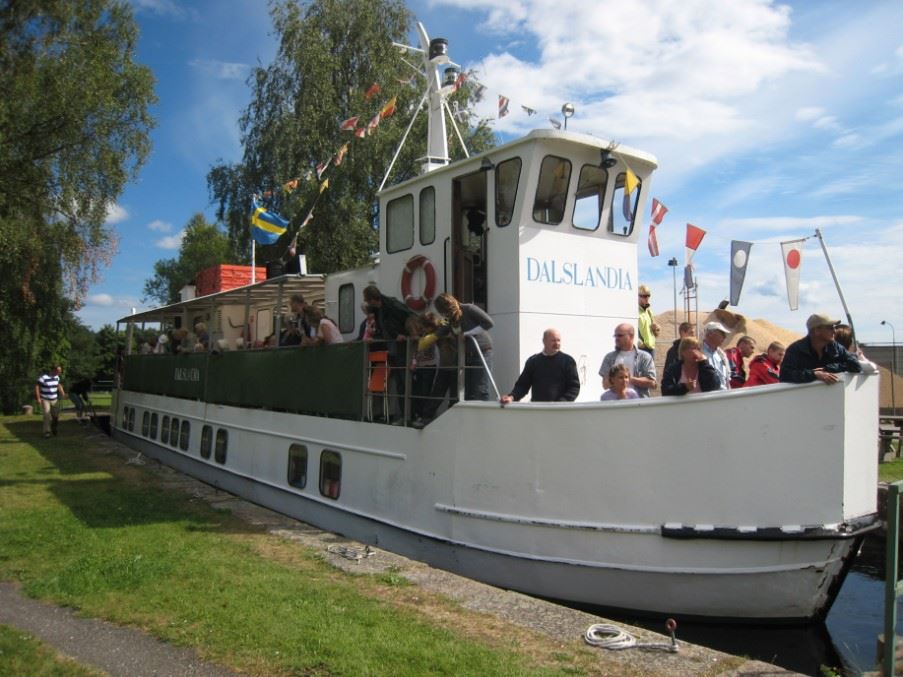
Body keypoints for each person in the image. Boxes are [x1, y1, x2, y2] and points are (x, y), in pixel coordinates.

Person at [363, 285, 415, 419]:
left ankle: (410, 414)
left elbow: (409, 315)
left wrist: (404, 334)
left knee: (404, 380)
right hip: (392, 348)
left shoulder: (392, 305)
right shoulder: (378, 310)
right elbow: (383, 330)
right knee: (399, 382)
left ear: (372, 299)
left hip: (401, 347)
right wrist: (374, 337)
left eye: (368, 300)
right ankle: (404, 414)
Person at [430, 292, 494, 401]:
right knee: (466, 391)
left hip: (481, 353)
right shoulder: (449, 319)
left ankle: (483, 417)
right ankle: (469, 417)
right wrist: (430, 338)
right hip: (464, 355)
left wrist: (468, 333)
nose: (443, 314)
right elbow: (443, 330)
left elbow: (489, 323)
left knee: (480, 389)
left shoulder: (468, 308)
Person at [500, 328, 580, 404]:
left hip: (560, 412)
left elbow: (574, 387)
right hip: (538, 410)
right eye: (553, 340)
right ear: (544, 341)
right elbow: (522, 385)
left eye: (558, 340)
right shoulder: (533, 361)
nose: (557, 343)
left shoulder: (568, 361)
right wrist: (511, 397)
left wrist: (561, 403)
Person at [780, 313, 863, 384]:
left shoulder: (836, 347)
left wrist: (828, 368)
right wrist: (815, 374)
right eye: (830, 328)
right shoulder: (796, 350)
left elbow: (856, 365)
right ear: (817, 331)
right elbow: (785, 375)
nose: (834, 331)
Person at [598, 323, 657, 398]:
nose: (616, 338)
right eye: (615, 336)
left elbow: (652, 383)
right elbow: (605, 385)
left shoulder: (644, 357)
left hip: (639, 404)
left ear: (631, 336)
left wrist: (628, 379)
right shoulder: (609, 357)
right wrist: (616, 380)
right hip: (614, 403)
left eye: (620, 335)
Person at [35, 365, 66, 437]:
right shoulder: (43, 378)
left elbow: (59, 385)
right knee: (46, 415)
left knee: (55, 416)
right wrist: (38, 398)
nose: (59, 372)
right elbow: (37, 387)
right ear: (53, 370)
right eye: (58, 371)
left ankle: (54, 427)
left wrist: (63, 393)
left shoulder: (57, 377)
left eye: (60, 371)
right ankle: (47, 432)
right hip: (45, 399)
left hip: (54, 399)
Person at [701, 321, 731, 390]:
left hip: (723, 395)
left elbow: (727, 380)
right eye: (722, 334)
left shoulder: (722, 355)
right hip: (707, 397)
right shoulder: (698, 352)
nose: (724, 337)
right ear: (710, 334)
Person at [636, 284, 660, 359]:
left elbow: (654, 331)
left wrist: (657, 329)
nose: (647, 298)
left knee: (651, 371)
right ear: (638, 296)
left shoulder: (649, 311)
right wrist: (640, 344)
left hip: (651, 348)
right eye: (644, 296)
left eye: (648, 295)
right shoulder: (634, 311)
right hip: (641, 349)